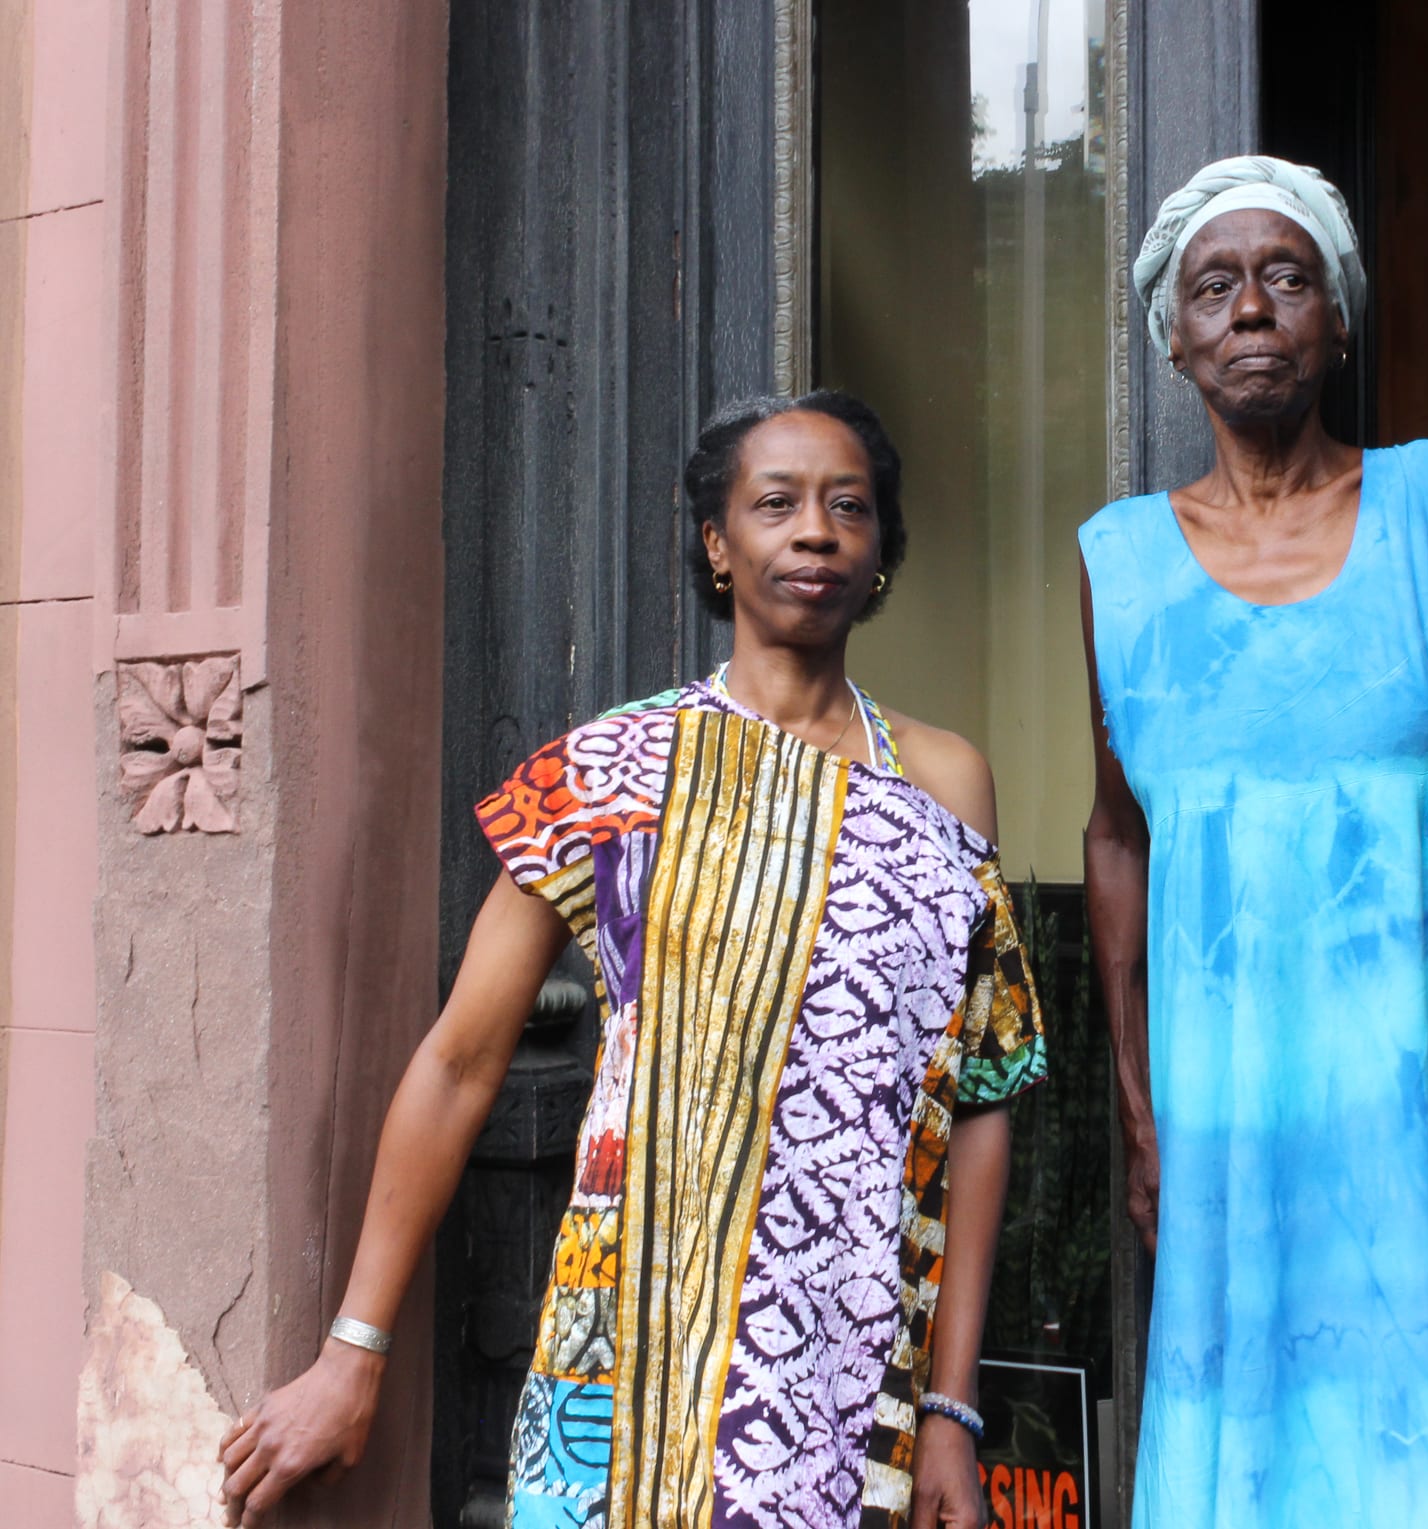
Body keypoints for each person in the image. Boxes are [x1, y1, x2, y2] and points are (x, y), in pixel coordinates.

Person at [218, 391, 1046, 1529]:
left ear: (881, 548)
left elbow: (981, 1100)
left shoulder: (947, 779)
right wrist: (351, 1353)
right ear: (718, 542)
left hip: (854, 1366)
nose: (816, 531)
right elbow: (460, 1061)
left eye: (849, 507)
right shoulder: (605, 775)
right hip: (632, 1347)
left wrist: (951, 1409)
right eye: (777, 504)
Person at [1081, 156, 1428, 1527]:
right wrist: (1141, 1098)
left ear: (1338, 321)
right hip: (1236, 1090)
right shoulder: (1119, 560)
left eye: (1288, 279)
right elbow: (1116, 834)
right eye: (1215, 287)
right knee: (1263, 1408)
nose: (1253, 311)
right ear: (1175, 339)